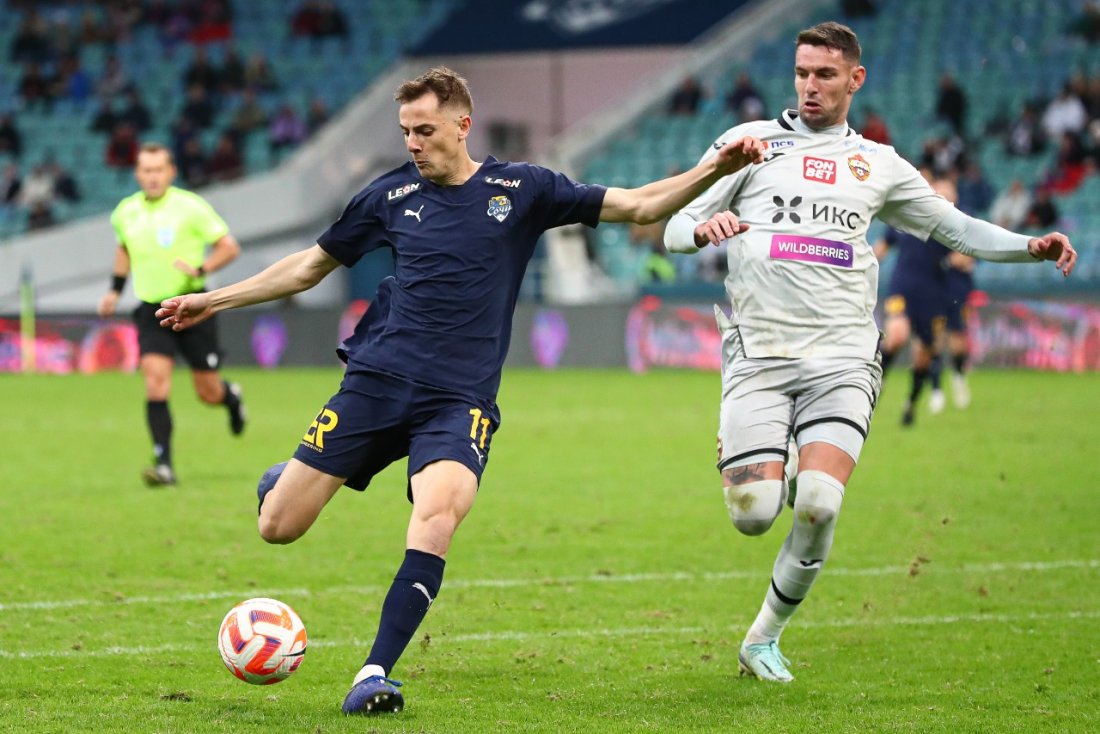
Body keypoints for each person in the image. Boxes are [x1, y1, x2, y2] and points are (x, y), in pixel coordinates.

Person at [155, 66, 765, 715]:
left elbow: (640, 205)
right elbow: (309, 267)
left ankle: (373, 674)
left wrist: (715, 168)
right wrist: (213, 300)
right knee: (278, 526)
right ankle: (283, 480)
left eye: (424, 130)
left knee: (438, 515)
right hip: (377, 382)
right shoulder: (388, 195)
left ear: (462, 124)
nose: (412, 143)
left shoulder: (522, 189)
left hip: (459, 400)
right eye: (405, 131)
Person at [662, 21, 1076, 684]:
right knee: (753, 515)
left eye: (825, 74)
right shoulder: (748, 145)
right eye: (802, 73)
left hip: (844, 359)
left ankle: (763, 639)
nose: (810, 86)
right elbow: (675, 223)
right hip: (760, 354)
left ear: (855, 79)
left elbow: (954, 228)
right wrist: (701, 229)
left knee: (819, 504)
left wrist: (1027, 246)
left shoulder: (877, 164)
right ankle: (767, 455)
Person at [97, 142, 247, 487]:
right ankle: (163, 464)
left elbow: (229, 246)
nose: (152, 176)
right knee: (155, 383)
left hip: (192, 308)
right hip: (151, 310)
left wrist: (202, 268)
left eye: (158, 170)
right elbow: (123, 249)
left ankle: (231, 397)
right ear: (138, 174)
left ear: (171, 172)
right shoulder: (125, 212)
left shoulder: (190, 207)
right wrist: (114, 290)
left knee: (208, 393)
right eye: (146, 170)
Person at [873, 175, 955, 426]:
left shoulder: (950, 227)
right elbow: (883, 246)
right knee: (896, 335)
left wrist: (960, 260)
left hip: (932, 295)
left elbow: (964, 256)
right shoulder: (904, 216)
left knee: (922, 355)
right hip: (902, 288)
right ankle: (877, 381)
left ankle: (911, 403)